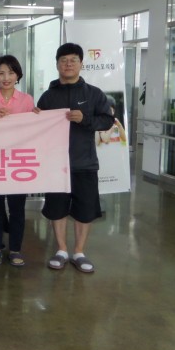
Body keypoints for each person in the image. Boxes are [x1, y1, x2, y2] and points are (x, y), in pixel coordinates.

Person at [36, 43, 114, 273]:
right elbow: (38, 128)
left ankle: (79, 252)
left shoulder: (94, 94)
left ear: (81, 63)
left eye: (73, 60)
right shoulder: (48, 96)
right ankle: (61, 250)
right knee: (57, 209)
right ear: (57, 64)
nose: (68, 64)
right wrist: (34, 117)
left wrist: (85, 119)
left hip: (84, 163)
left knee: (85, 210)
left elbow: (107, 121)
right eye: (63, 60)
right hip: (56, 164)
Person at [0, 55, 35, 266]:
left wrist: (37, 117)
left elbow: (33, 130)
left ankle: (16, 249)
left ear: (17, 75)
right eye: (1, 73)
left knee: (17, 208)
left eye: (11, 73)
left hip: (18, 161)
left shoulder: (27, 100)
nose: (6, 77)